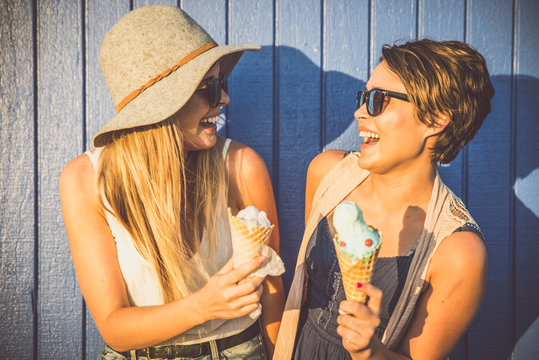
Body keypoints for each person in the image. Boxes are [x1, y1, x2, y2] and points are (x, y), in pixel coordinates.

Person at [59, 5, 284, 360]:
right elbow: (113, 327)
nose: (224, 98)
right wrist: (203, 305)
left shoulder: (240, 166)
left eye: (221, 83)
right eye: (209, 88)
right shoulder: (85, 180)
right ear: (162, 105)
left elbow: (273, 289)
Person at [274, 39, 494, 360]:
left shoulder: (459, 251)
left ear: (435, 119)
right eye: (364, 96)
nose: (359, 111)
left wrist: (369, 351)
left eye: (378, 100)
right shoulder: (327, 173)